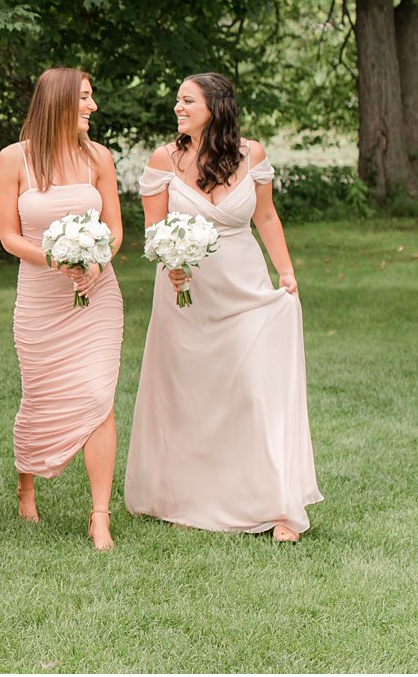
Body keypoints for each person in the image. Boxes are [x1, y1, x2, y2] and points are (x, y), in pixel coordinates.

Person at [125, 72, 321, 542]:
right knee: (190, 396)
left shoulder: (251, 154)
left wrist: (286, 272)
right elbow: (153, 230)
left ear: (215, 105)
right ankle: (186, 497)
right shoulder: (164, 159)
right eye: (177, 100)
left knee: (256, 392)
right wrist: (168, 263)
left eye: (187, 100)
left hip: (245, 288)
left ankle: (277, 507)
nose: (178, 107)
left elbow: (266, 216)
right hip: (185, 294)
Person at [0, 68, 124, 550]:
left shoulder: (98, 157)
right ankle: (26, 488)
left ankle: (100, 515)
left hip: (97, 294)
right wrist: (55, 258)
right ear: (59, 102)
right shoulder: (13, 159)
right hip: (40, 299)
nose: (92, 106)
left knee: (97, 394)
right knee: (40, 395)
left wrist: (95, 259)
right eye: (85, 98)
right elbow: (8, 236)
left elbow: (115, 228)